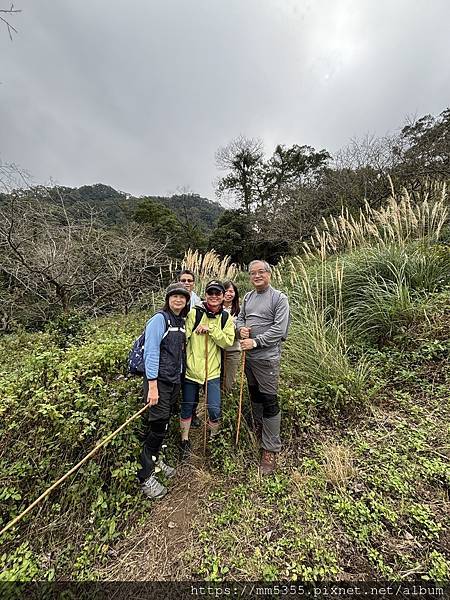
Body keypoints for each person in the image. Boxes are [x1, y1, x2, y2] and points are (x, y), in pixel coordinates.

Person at [236, 260, 290, 475]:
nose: (256, 276)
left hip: (267, 357)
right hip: (249, 358)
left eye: (260, 272)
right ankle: (259, 428)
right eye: (252, 273)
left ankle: (270, 448)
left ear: (269, 274)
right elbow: (240, 319)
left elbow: (279, 329)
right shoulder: (248, 297)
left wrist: (256, 342)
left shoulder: (279, 298)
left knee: (269, 399)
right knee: (254, 394)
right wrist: (241, 330)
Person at [138, 283, 190, 499]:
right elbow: (150, 352)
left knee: (164, 424)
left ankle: (156, 461)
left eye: (182, 297)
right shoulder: (160, 319)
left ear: (187, 301)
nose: (178, 300)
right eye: (174, 296)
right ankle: (145, 476)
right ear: (168, 299)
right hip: (158, 382)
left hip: (173, 381)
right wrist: (152, 386)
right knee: (158, 427)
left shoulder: (180, 321)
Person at [180, 280, 235, 457]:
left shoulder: (226, 317)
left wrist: (211, 329)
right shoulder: (194, 313)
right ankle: (185, 440)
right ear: (206, 294)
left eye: (217, 293)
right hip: (191, 370)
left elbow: (227, 342)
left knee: (214, 408)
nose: (214, 296)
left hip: (212, 371)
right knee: (187, 407)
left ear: (222, 296)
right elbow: (184, 338)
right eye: (210, 293)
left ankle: (214, 439)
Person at [178, 268, 202, 427]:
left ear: (194, 283)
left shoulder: (198, 301)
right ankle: (178, 411)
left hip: (193, 346)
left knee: (193, 380)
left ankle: (192, 412)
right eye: (183, 280)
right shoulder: (173, 297)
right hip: (176, 345)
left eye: (189, 281)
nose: (186, 283)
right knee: (177, 380)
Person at [221, 280, 241, 394]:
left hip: (233, 349)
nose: (228, 294)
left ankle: (226, 401)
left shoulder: (240, 310)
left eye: (231, 291)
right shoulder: (215, 308)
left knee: (229, 379)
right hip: (217, 349)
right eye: (226, 291)